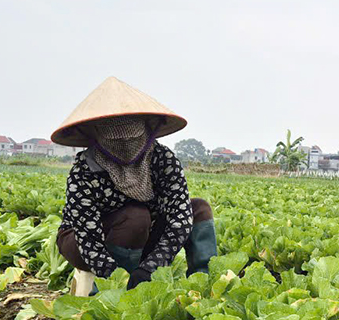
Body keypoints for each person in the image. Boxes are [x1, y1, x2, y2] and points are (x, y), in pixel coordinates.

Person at [50, 77, 218, 294]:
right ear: (99, 138)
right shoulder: (86, 169)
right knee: (135, 216)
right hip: (84, 241)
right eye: (116, 143)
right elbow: (88, 235)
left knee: (198, 208)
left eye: (133, 139)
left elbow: (179, 218)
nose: (126, 149)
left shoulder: (162, 159)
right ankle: (117, 290)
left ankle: (203, 285)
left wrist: (151, 267)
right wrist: (114, 278)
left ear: (147, 133)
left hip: (144, 233)